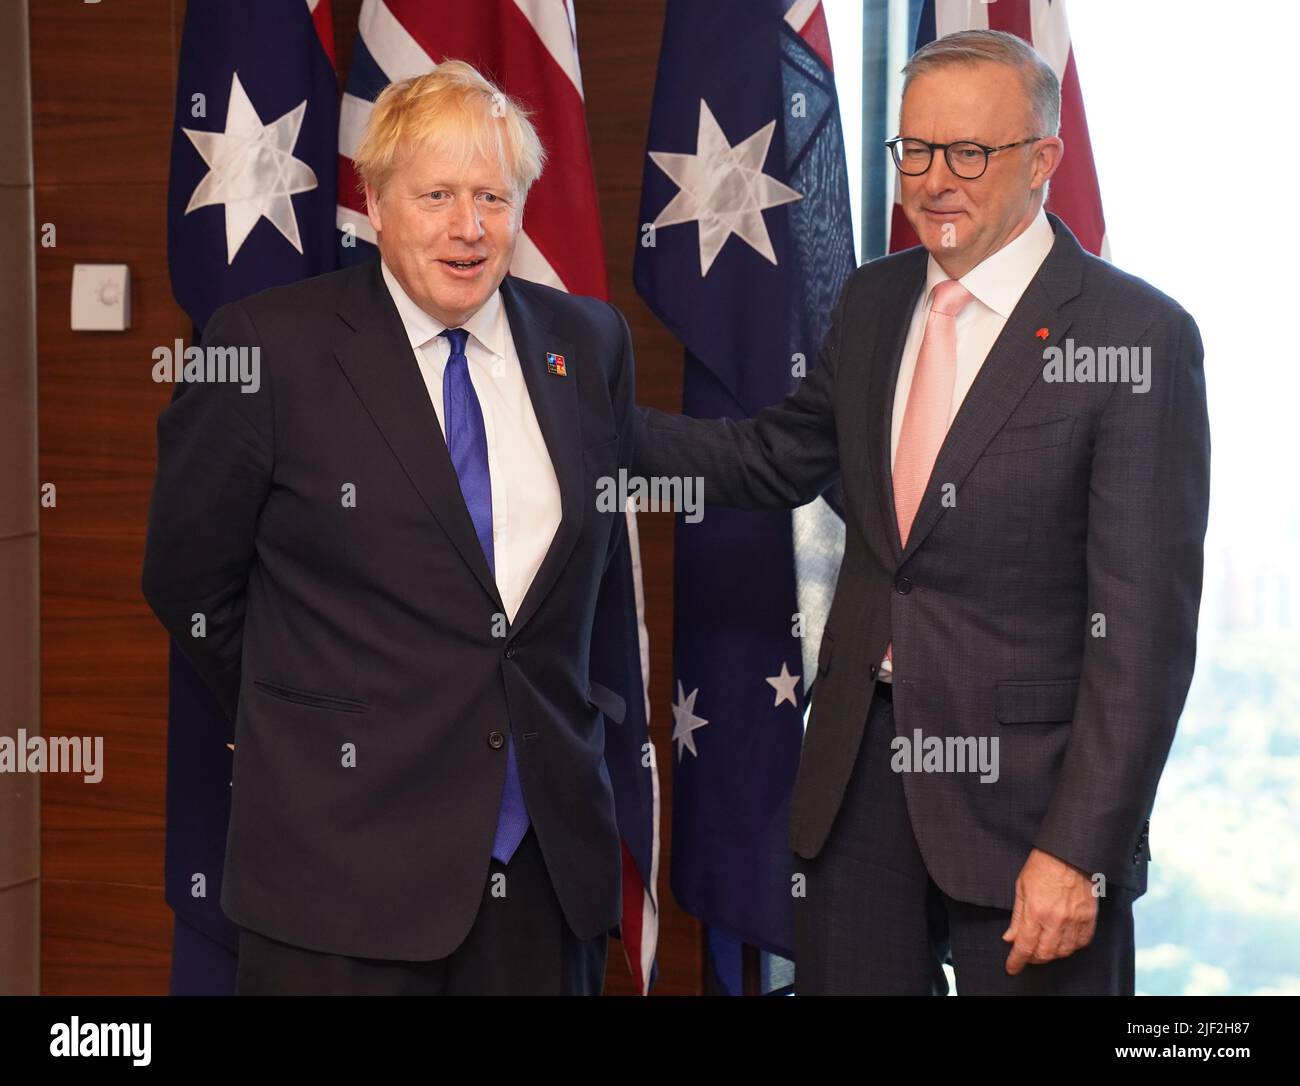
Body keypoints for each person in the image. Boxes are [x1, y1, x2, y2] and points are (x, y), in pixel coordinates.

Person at [633, 29, 1209, 995]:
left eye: (969, 154)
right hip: (857, 795)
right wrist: (586, 418)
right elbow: (775, 456)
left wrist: (1080, 848)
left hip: (1032, 819)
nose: (934, 180)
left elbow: (1143, 640)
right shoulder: (874, 299)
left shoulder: (1135, 337)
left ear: (1042, 163)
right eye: (916, 152)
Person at [142, 61, 635, 995]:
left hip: (540, 874)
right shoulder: (265, 349)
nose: (470, 227)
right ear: (373, 199)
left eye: (493, 195)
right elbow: (188, 580)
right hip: (340, 873)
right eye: (439, 195)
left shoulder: (589, 342)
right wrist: (310, 707)